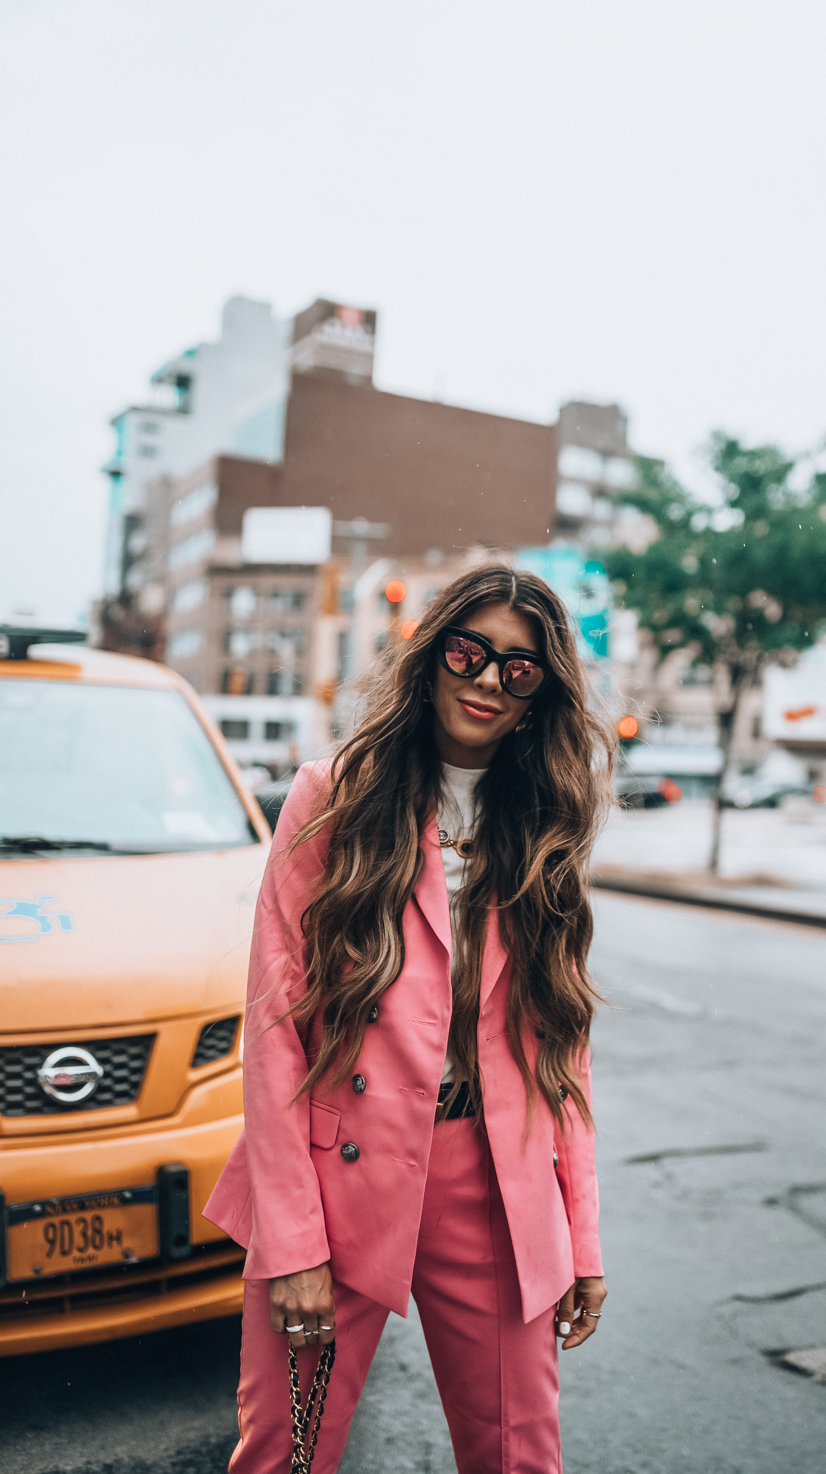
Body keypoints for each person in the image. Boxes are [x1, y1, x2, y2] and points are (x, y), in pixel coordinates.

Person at [205, 564, 613, 1473]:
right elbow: (275, 1028)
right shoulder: (333, 797)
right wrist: (295, 1240)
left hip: (496, 1187)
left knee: (519, 1458)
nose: (486, 680)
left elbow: (563, 1049)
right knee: (286, 1453)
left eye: (518, 668)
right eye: (469, 652)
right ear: (432, 656)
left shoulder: (545, 821)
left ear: (539, 693)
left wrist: (581, 1237)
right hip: (334, 1179)